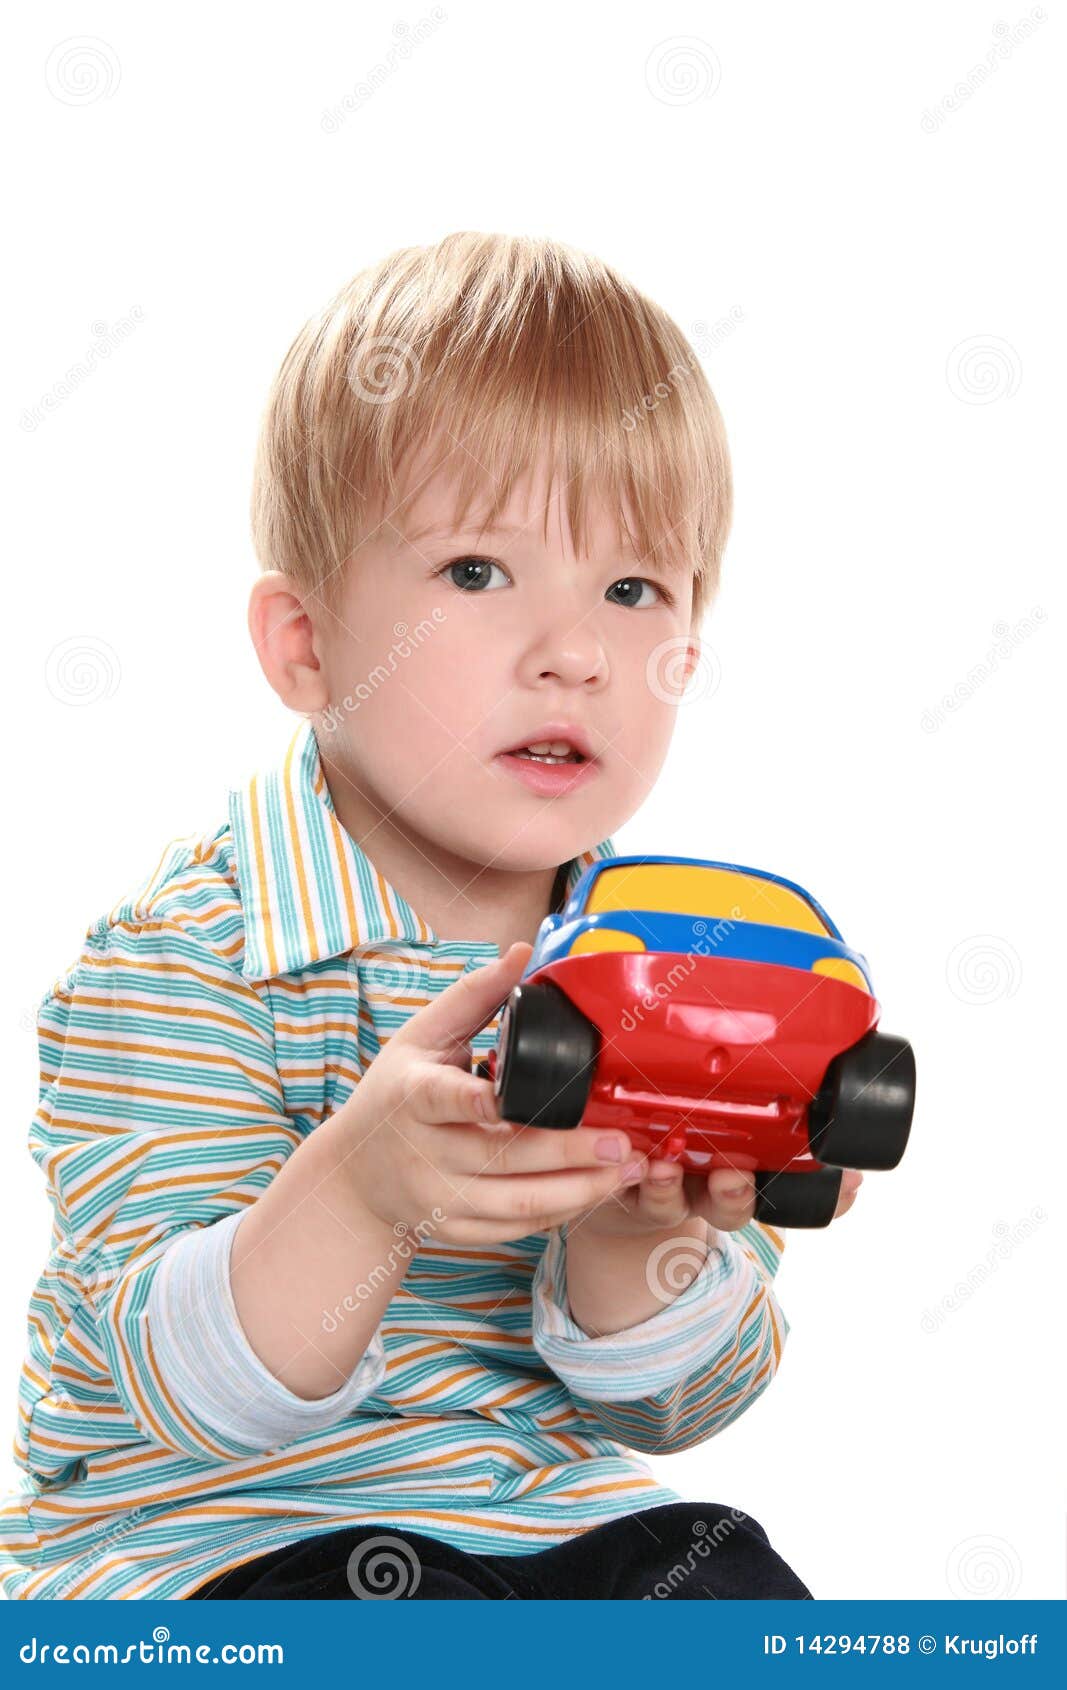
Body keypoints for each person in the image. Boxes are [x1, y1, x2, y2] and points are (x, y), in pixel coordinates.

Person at [0, 231, 861, 1601]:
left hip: (538, 1529)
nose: (574, 649)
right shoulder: (183, 951)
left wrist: (639, 1238)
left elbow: (677, 1407)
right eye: (477, 571)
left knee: (737, 1589)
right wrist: (362, 1189)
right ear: (308, 645)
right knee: (359, 1611)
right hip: (211, 1550)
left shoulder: (665, 967)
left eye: (633, 589)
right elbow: (184, 1398)